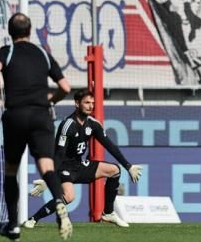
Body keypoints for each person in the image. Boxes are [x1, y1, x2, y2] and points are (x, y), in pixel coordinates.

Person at [0, 12, 72, 241]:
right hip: (41, 115)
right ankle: (58, 201)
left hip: (16, 114)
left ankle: (13, 225)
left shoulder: (6, 52)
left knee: (11, 170)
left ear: (9, 31)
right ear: (30, 30)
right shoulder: (43, 54)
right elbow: (65, 86)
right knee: (46, 166)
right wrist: (50, 101)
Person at [23, 89, 143, 228]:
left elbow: (110, 146)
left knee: (114, 170)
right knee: (69, 197)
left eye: (93, 103)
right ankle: (33, 219)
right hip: (64, 166)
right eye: (87, 103)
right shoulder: (68, 125)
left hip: (80, 165)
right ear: (77, 103)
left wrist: (128, 166)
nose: (91, 106)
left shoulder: (93, 124)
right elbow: (59, 154)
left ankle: (108, 213)